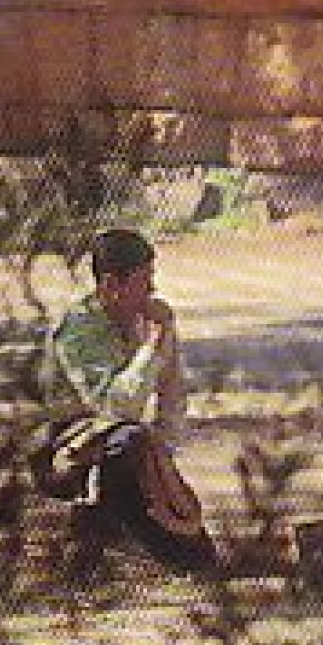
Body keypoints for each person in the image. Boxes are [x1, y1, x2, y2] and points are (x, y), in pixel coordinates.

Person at [37, 227, 213, 568]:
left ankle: (118, 531)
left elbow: (172, 397)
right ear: (110, 285)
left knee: (198, 554)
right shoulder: (76, 330)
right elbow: (116, 406)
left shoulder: (150, 319)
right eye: (143, 281)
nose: (151, 290)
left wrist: (163, 457)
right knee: (127, 442)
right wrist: (150, 347)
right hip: (68, 450)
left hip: (131, 440)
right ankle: (98, 526)